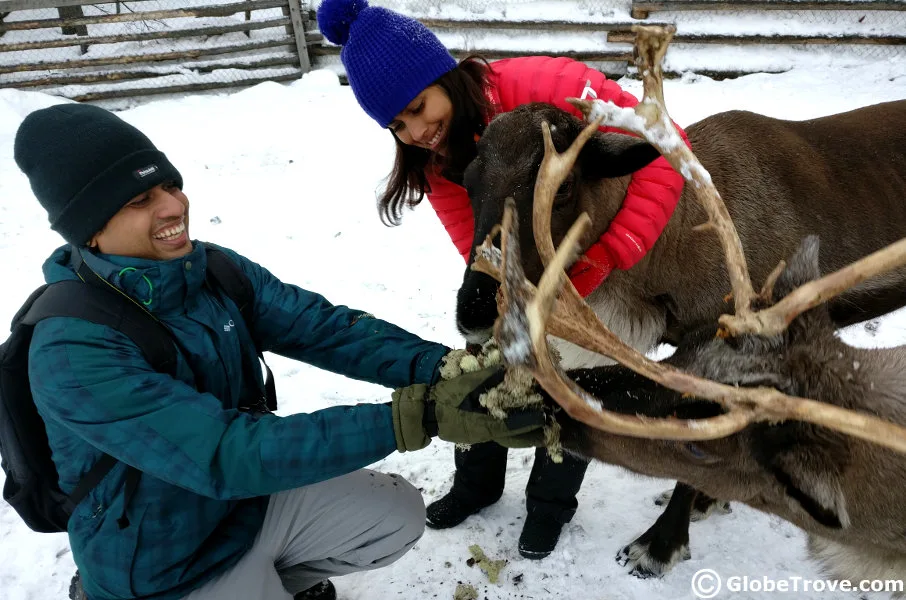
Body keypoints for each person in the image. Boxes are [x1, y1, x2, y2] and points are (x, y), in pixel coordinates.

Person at [10, 103, 545, 600]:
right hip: (162, 563)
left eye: (172, 186)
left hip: (244, 504)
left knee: (395, 513)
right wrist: (420, 415)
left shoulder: (208, 271)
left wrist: (445, 368)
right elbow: (224, 453)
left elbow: (323, 329)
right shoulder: (73, 348)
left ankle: (278, 578)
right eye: (140, 200)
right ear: (91, 230)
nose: (176, 206)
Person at [316, 0, 689, 560]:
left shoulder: (549, 84)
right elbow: (474, 239)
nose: (416, 131)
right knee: (482, 360)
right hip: (519, 265)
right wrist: (496, 299)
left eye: (418, 106)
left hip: (595, 261)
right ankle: (477, 484)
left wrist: (612, 253)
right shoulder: (436, 156)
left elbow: (663, 148)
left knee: (575, 374)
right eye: (397, 124)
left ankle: (550, 505)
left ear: (442, 76)